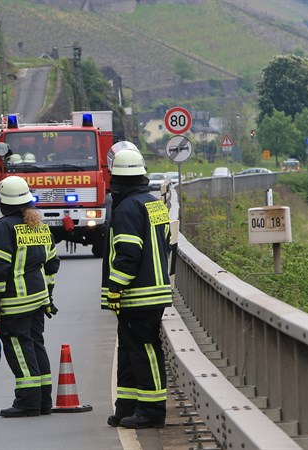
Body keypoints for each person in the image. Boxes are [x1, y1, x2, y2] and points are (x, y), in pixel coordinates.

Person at [101, 144, 173, 430]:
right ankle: (127, 407)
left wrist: (115, 288)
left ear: (116, 178)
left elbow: (128, 255)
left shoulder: (127, 208)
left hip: (138, 295)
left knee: (144, 352)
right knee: (130, 354)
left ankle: (152, 411)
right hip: (152, 291)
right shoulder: (154, 203)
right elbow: (166, 242)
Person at [0, 176, 61, 418]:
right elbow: (52, 264)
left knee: (19, 349)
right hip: (38, 300)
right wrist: (48, 296)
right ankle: (44, 400)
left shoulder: (3, 227)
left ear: (3, 202)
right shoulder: (40, 225)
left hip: (15, 302)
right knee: (36, 345)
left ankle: (28, 402)